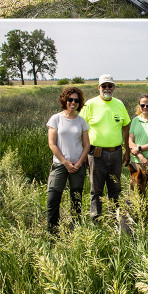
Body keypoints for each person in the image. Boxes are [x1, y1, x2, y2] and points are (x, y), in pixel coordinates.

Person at [80, 75, 130, 220]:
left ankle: (114, 219)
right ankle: (96, 219)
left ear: (114, 87)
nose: (107, 89)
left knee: (115, 188)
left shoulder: (119, 104)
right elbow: (81, 128)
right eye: (104, 86)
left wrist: (127, 150)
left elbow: (126, 126)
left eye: (110, 86)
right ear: (99, 88)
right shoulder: (90, 104)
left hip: (116, 153)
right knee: (96, 189)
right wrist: (82, 153)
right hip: (96, 154)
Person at [46, 86, 91, 233]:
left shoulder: (81, 121)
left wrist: (78, 163)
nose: (73, 102)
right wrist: (65, 163)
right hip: (60, 164)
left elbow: (86, 145)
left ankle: (75, 230)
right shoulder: (56, 119)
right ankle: (53, 232)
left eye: (76, 100)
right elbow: (52, 144)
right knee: (53, 198)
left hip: (78, 165)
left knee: (76, 199)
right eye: (70, 99)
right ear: (65, 100)